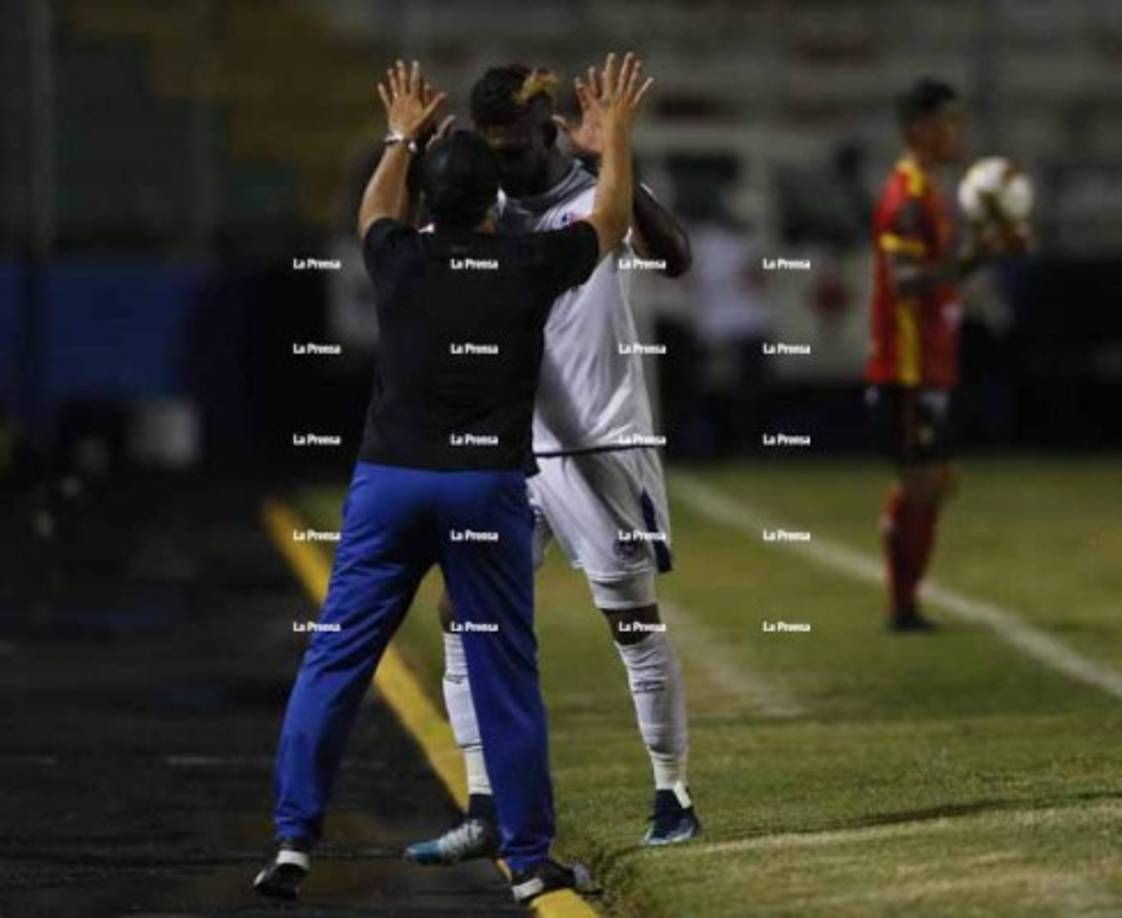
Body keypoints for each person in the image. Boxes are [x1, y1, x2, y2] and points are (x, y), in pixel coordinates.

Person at [253, 53, 649, 905]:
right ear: (494, 203)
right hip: (482, 490)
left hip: (390, 482)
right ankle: (530, 861)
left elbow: (372, 210)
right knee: (504, 670)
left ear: (429, 201)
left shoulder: (397, 258)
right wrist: (613, 139)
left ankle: (292, 842)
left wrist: (399, 136)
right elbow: (611, 221)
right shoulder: (528, 261)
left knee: (335, 660)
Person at [405, 58, 700, 867]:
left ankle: (672, 794)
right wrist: (415, 149)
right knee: (459, 618)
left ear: (549, 131)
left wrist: (613, 159)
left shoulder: (594, 197)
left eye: (514, 148)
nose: (501, 164)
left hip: (602, 447)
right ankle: (483, 806)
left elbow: (675, 254)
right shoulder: (481, 206)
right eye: (489, 150)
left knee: (630, 622)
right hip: (508, 446)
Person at [866, 78, 1026, 632]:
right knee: (924, 485)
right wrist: (978, 256)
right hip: (909, 367)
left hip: (932, 364)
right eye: (949, 121)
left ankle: (904, 598)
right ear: (920, 129)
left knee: (934, 483)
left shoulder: (930, 192)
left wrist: (980, 255)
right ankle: (902, 607)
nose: (958, 132)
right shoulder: (907, 197)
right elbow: (905, 280)